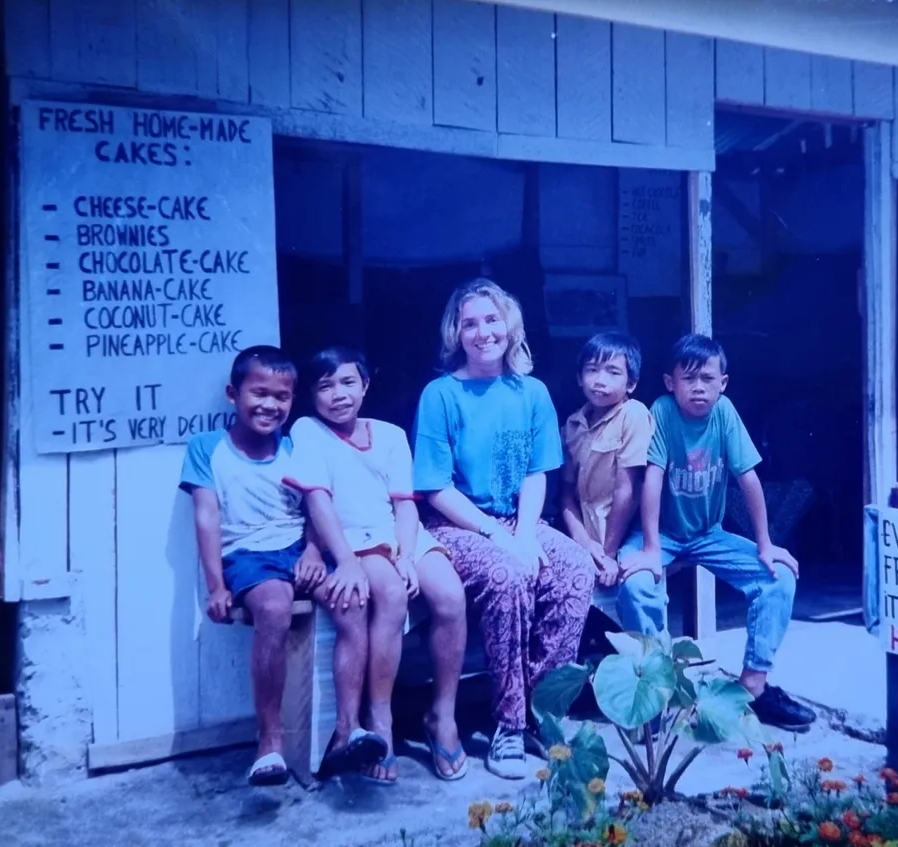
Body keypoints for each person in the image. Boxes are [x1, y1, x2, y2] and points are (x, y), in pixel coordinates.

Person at [412, 278, 595, 780]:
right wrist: (500, 538)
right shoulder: (441, 395)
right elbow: (434, 487)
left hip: (520, 520)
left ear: (509, 326)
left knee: (577, 569)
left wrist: (528, 534)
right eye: (469, 323)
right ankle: (509, 722)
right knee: (506, 575)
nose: (482, 332)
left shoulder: (531, 392)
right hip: (456, 524)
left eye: (491, 320)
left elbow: (538, 473)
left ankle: (543, 711)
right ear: (456, 332)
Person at [179, 346, 386, 787]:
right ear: (233, 394)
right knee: (273, 607)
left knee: (353, 598)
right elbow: (207, 518)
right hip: (249, 558)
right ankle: (269, 740)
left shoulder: (297, 446)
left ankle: (347, 730)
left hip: (297, 549)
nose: (270, 405)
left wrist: (313, 552)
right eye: (260, 394)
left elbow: (316, 503)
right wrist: (216, 585)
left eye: (282, 397)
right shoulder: (207, 448)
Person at [284, 346, 469, 784]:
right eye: (325, 386)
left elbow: (405, 506)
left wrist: (406, 555)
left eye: (348, 382)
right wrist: (345, 560)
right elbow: (318, 501)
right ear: (312, 396)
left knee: (449, 595)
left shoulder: (389, 435)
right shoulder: (308, 431)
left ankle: (443, 716)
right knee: (388, 592)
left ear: (366, 385)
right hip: (349, 538)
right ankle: (379, 720)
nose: (338, 394)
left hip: (397, 533)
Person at [618, 333, 818, 731]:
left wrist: (765, 544)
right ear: (669, 382)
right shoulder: (661, 411)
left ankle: (754, 687)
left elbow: (748, 479)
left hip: (709, 533)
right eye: (688, 378)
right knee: (636, 584)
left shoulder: (724, 413)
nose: (698, 387)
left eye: (707, 379)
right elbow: (652, 480)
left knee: (776, 578)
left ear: (722, 383)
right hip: (662, 533)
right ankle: (657, 692)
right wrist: (653, 548)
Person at [560, 332, 653, 588]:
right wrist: (583, 541)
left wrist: (608, 553)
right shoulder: (572, 425)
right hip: (585, 535)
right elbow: (566, 493)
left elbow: (628, 490)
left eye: (613, 372)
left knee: (638, 587)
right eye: (592, 370)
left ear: (631, 383)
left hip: (624, 535)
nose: (600, 380)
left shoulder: (633, 415)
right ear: (580, 377)